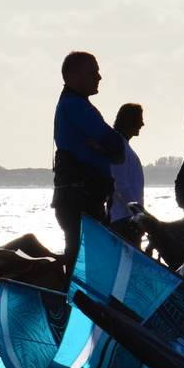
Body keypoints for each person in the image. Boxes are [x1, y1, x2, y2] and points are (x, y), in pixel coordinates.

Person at [52, 51, 126, 266]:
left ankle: (72, 298)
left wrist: (106, 146)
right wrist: (106, 147)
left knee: (87, 263)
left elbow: (118, 151)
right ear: (72, 77)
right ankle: (70, 299)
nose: (99, 77)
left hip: (84, 199)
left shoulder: (75, 104)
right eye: (92, 72)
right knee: (84, 265)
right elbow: (116, 144)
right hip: (78, 199)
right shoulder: (75, 105)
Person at [109, 103, 146, 248]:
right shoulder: (119, 146)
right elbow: (121, 185)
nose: (142, 124)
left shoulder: (123, 144)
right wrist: (138, 215)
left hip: (128, 218)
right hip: (124, 220)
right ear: (130, 121)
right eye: (140, 119)